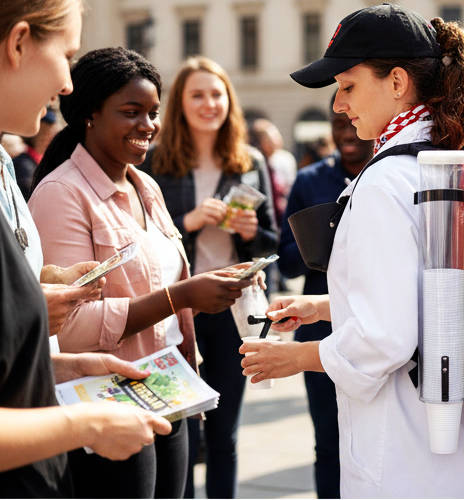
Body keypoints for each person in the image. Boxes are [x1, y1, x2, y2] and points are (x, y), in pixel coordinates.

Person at [241, 5, 464, 497]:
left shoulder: (388, 178)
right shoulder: (449, 158)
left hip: (410, 447)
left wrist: (297, 358)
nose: (338, 105)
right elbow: (433, 292)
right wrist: (322, 306)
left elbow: (385, 336)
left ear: (396, 82)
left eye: (347, 85)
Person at [28, 47, 255, 498]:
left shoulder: (143, 183)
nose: (148, 125)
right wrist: (183, 296)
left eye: (152, 113)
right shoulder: (61, 194)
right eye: (131, 112)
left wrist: (229, 277)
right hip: (106, 402)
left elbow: (161, 276)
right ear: (90, 115)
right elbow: (66, 327)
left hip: (167, 387)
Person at [0, 0, 176, 495]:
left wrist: (62, 359)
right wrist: (86, 425)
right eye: (67, 55)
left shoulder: (6, 171)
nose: (67, 86)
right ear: (18, 44)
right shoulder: (59, 190)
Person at [138, 55, 278, 499]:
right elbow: (140, 237)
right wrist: (190, 220)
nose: (208, 103)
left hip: (234, 310)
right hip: (176, 310)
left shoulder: (248, 160)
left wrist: (255, 233)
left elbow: (273, 243)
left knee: (225, 435)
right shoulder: (156, 160)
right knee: (181, 434)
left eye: (216, 94)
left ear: (228, 101)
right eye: (197, 94)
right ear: (180, 103)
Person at [277, 94, 373, 498]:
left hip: (371, 328)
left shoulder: (384, 177)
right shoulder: (310, 180)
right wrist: (322, 241)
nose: (346, 134)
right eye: (338, 126)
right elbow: (286, 263)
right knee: (328, 442)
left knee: (370, 445)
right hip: (320, 328)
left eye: (352, 125)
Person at [250, 117, 297, 223]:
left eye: (276, 135)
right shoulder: (254, 164)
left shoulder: (285, 159)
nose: (276, 139)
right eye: (270, 137)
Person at [13, 107, 60, 199]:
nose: (49, 138)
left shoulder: (47, 162)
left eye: (51, 134)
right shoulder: (23, 164)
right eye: (45, 134)